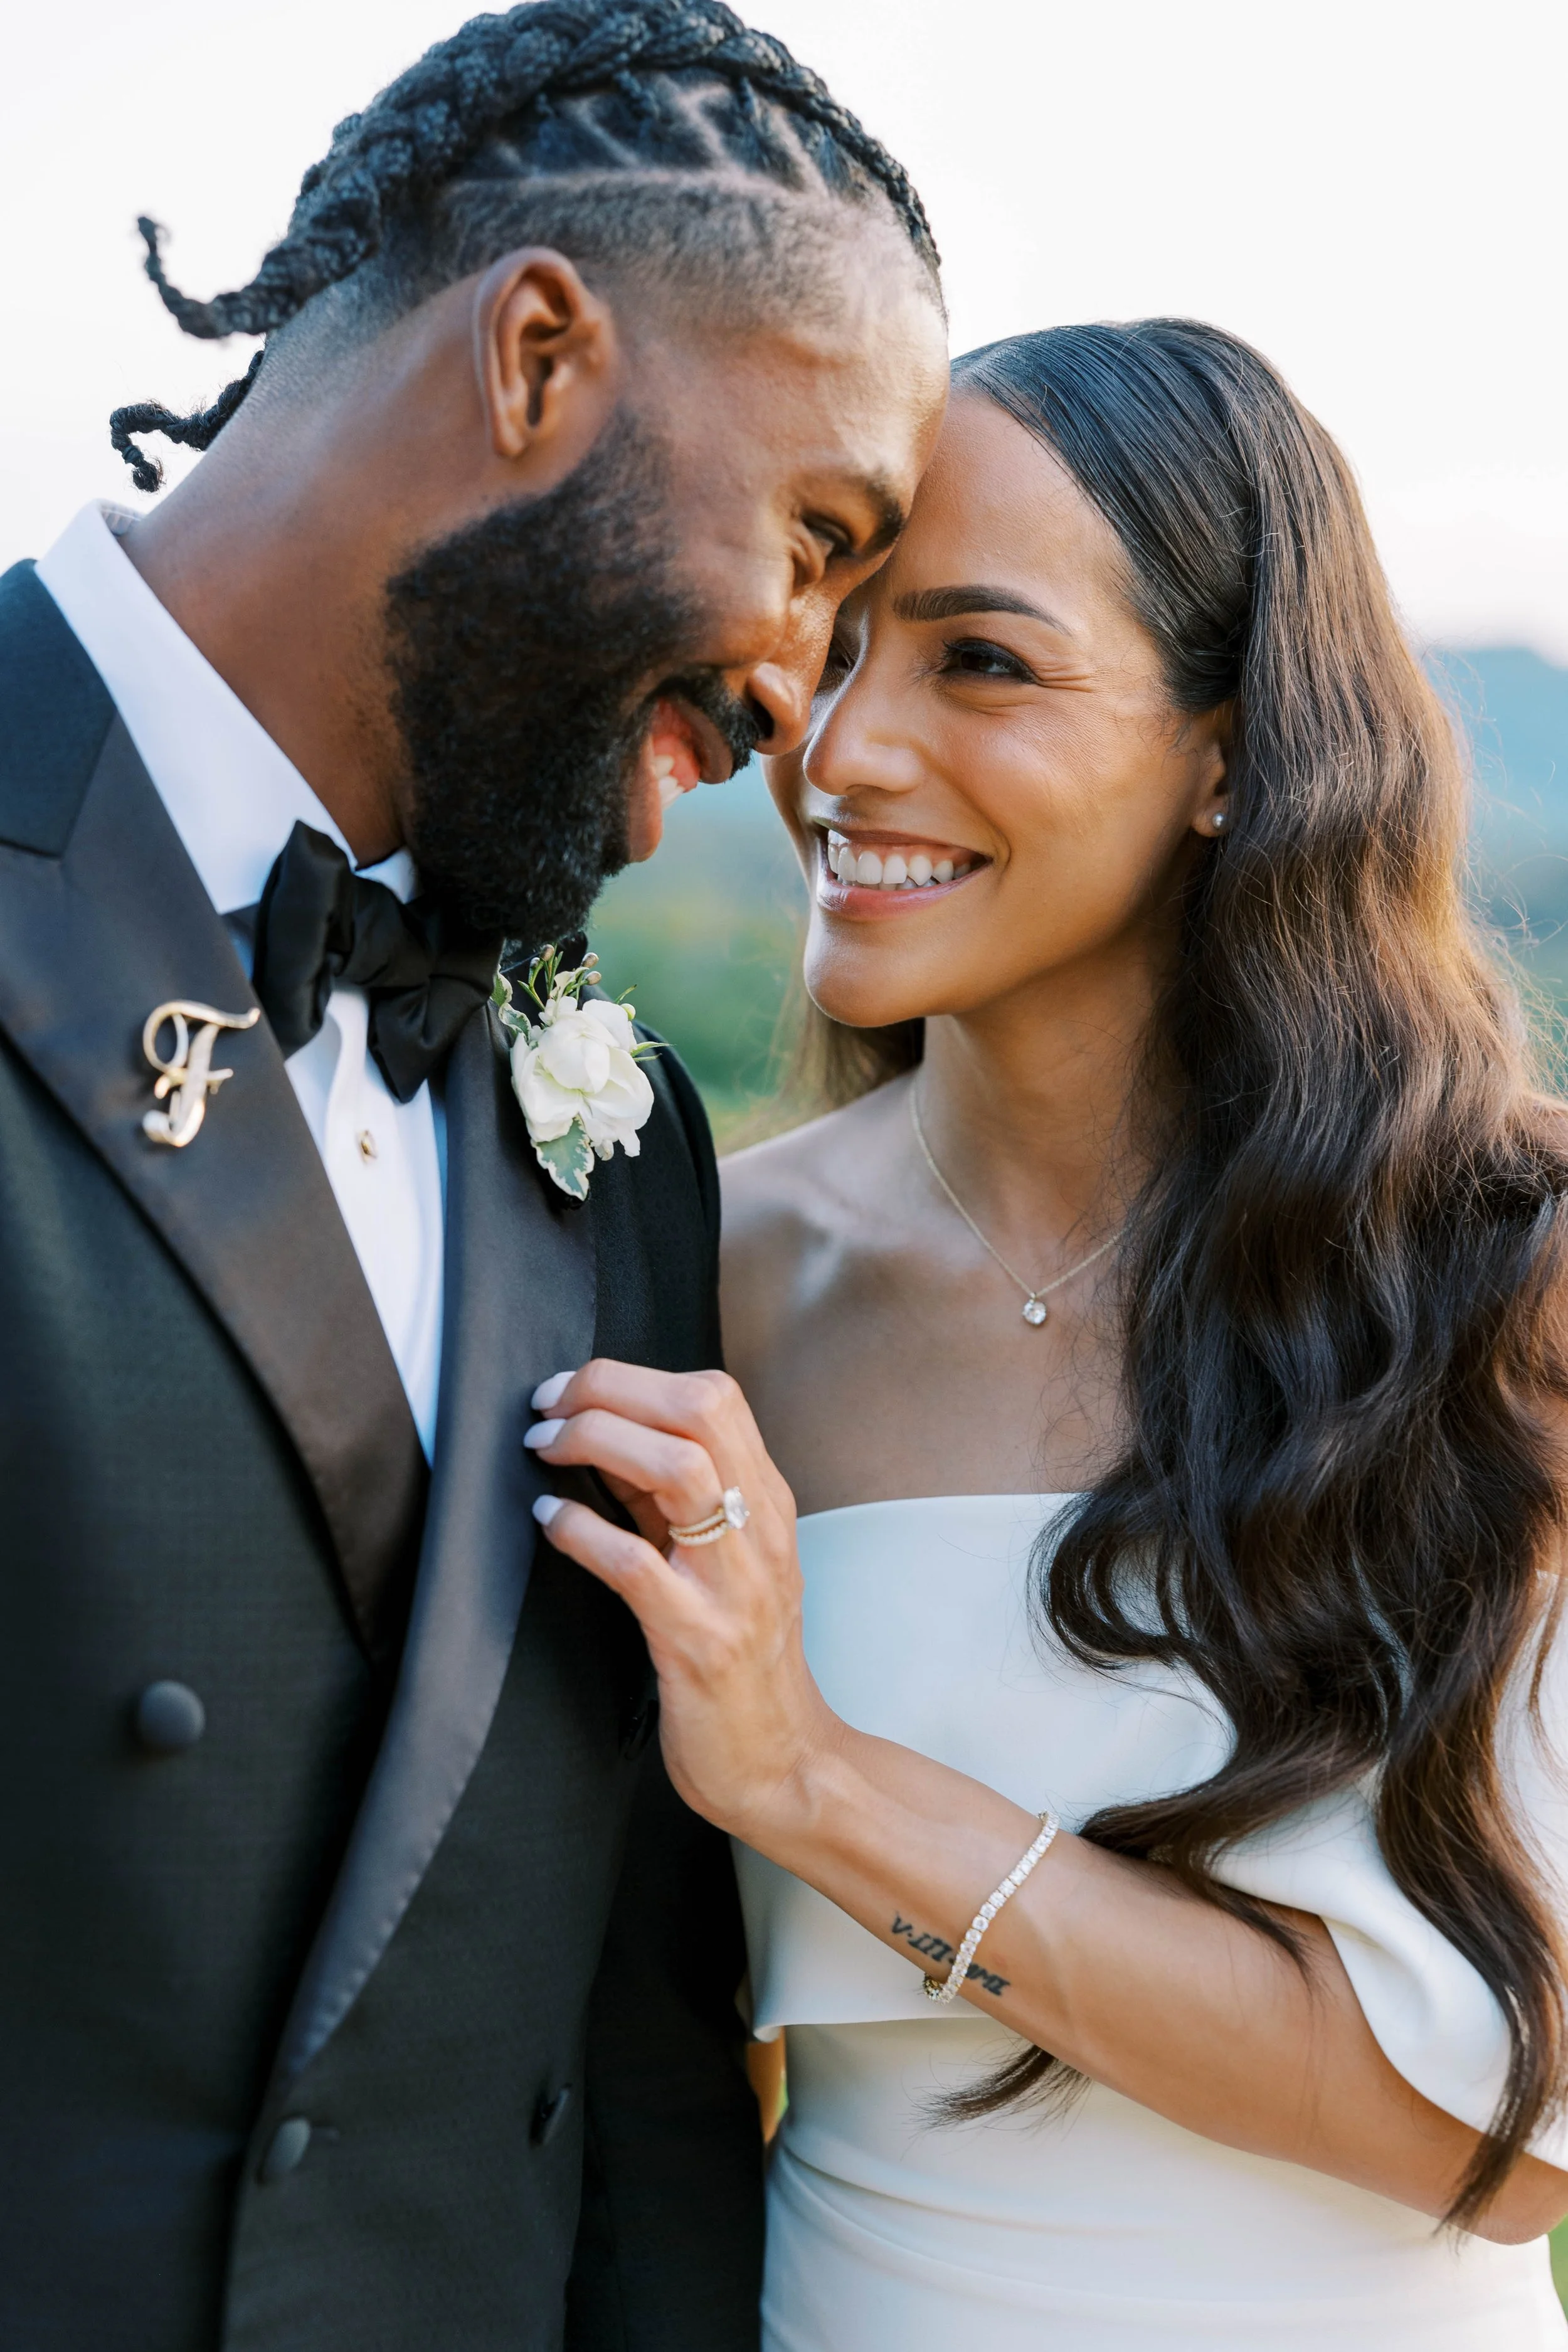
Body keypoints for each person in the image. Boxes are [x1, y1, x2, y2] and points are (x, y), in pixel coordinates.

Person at [0, 6, 948, 2346]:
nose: (803, 702)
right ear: (534, 356)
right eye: (817, 539)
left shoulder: (613, 1134)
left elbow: (623, 2048)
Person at [526, 319, 1568, 2348]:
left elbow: (1507, 2138)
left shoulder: (1505, 1265)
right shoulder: (696, 1275)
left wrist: (817, 1775)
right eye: (837, 647)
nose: (843, 752)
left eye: (978, 660)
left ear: (1232, 749)